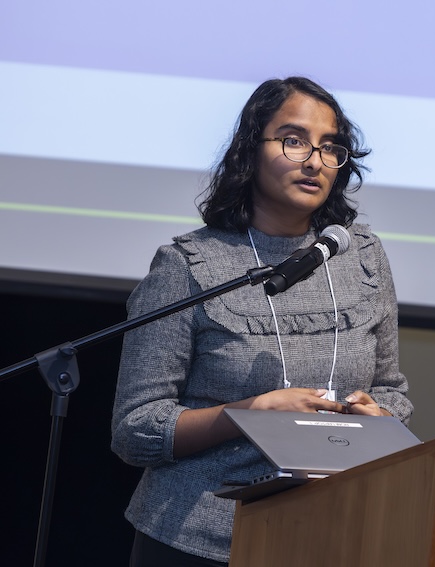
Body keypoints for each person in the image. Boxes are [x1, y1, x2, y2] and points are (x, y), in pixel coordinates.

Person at [111, 77, 413, 566]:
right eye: (293, 141)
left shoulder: (362, 258)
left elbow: (392, 390)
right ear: (251, 151)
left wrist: (381, 419)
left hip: (334, 536)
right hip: (200, 541)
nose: (314, 160)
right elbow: (135, 429)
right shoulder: (188, 266)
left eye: (330, 147)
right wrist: (249, 412)